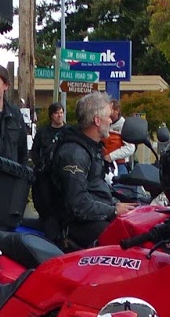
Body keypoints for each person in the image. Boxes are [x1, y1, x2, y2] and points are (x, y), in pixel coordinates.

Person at [47, 90, 118, 250]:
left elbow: (93, 189)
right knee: (121, 240)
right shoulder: (75, 153)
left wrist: (116, 205)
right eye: (108, 116)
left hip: (90, 219)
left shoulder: (91, 148)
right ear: (97, 120)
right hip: (72, 228)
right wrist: (113, 211)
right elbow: (77, 204)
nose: (110, 121)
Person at [31, 102, 66, 172]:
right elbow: (35, 150)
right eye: (56, 113)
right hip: (46, 172)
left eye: (61, 113)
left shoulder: (69, 132)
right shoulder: (42, 132)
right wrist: (40, 164)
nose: (59, 115)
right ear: (51, 115)